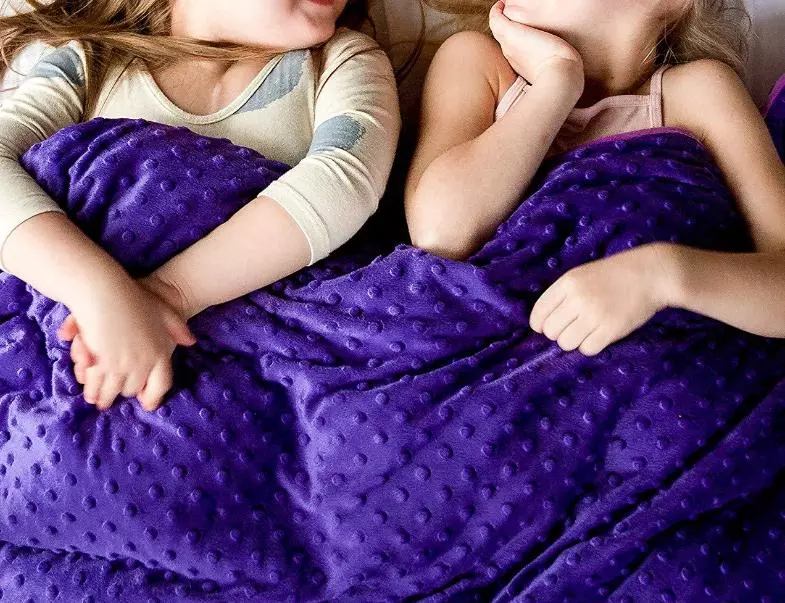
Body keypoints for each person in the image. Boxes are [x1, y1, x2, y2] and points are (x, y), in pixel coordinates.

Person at [0, 0, 400, 410]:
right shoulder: (91, 62)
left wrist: (170, 294)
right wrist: (99, 292)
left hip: (257, 355)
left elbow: (345, 178)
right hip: (83, 342)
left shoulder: (341, 60)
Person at [406, 0, 785, 356]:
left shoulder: (700, 92)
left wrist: (663, 276)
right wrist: (557, 82)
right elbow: (439, 234)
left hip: (664, 370)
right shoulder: (478, 63)